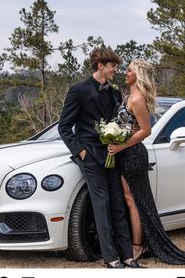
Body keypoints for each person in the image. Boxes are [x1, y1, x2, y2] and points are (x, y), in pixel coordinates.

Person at [108, 59, 185, 265]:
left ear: (138, 75)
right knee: (128, 198)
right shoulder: (127, 95)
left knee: (135, 201)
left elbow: (146, 131)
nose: (126, 72)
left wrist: (121, 145)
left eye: (129, 70)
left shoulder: (138, 98)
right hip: (122, 153)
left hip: (133, 155)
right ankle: (135, 242)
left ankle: (137, 245)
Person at [58, 47, 143, 268]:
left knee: (117, 204)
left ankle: (127, 256)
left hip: (112, 155)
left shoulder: (115, 93)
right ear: (100, 66)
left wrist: (123, 138)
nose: (116, 69)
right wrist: (80, 151)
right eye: (113, 65)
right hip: (90, 157)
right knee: (101, 204)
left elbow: (121, 122)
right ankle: (110, 257)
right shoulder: (78, 91)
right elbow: (64, 127)